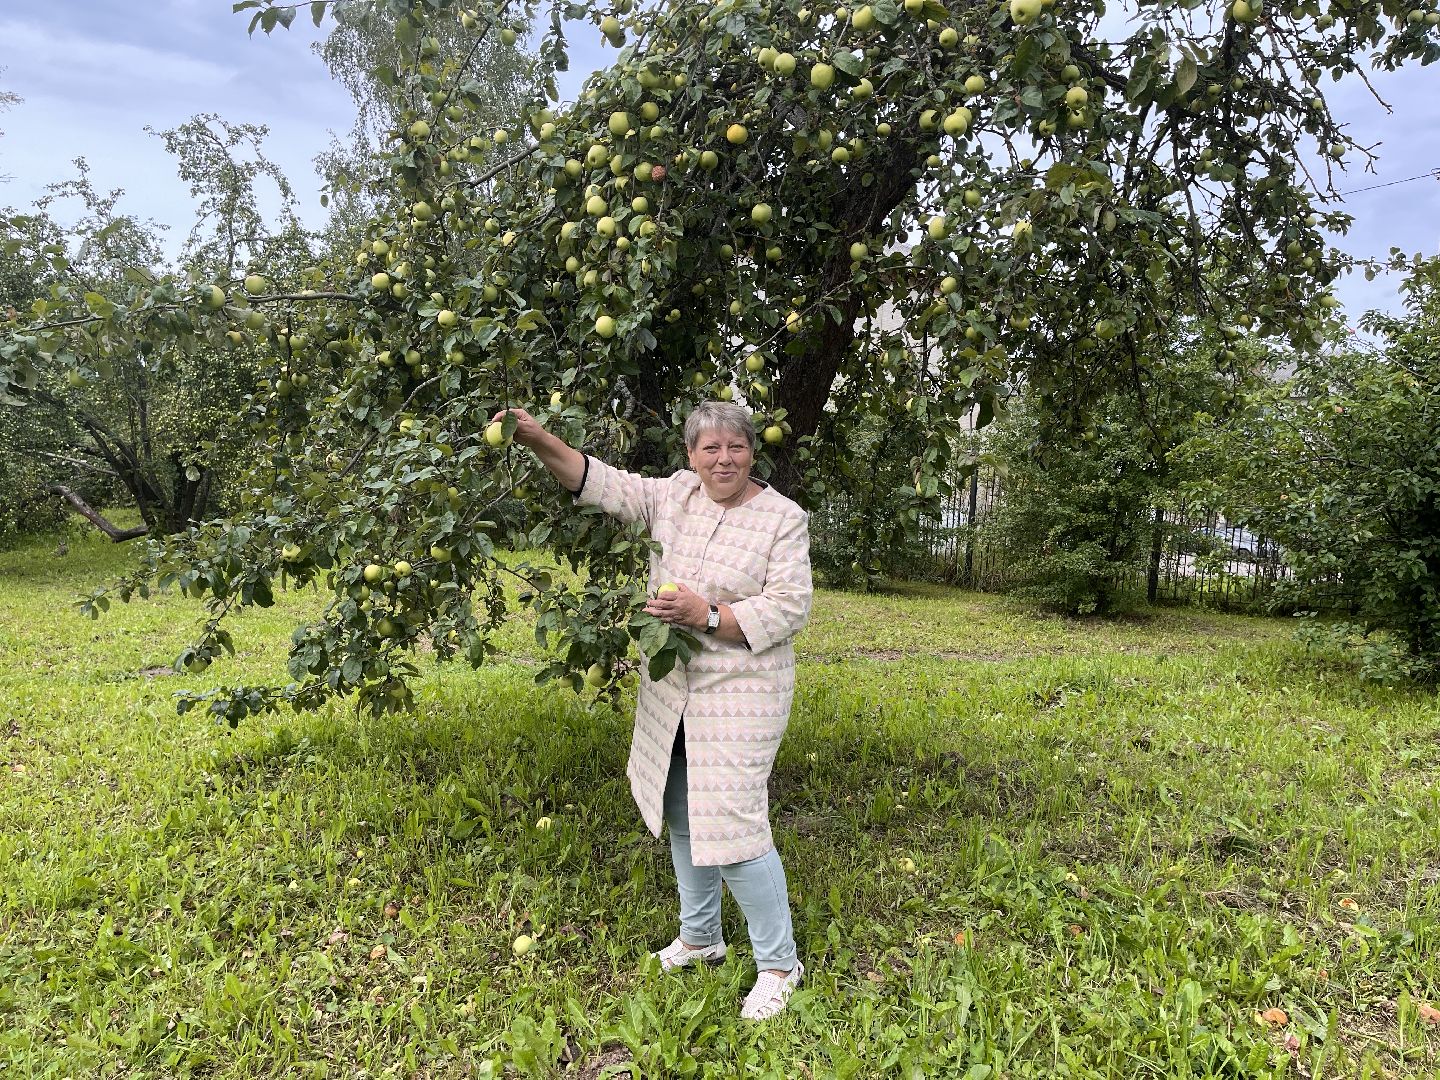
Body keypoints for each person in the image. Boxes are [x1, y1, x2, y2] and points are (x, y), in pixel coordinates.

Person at [494, 399, 813, 1021]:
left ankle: (780, 963)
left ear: (753, 452)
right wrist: (535, 437)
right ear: (691, 456)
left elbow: (789, 607)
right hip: (672, 686)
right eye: (710, 448)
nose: (724, 459)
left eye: (737, 447)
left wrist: (708, 615)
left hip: (741, 690)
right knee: (680, 806)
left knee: (734, 822)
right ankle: (701, 938)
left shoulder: (783, 519)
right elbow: (597, 481)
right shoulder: (675, 496)